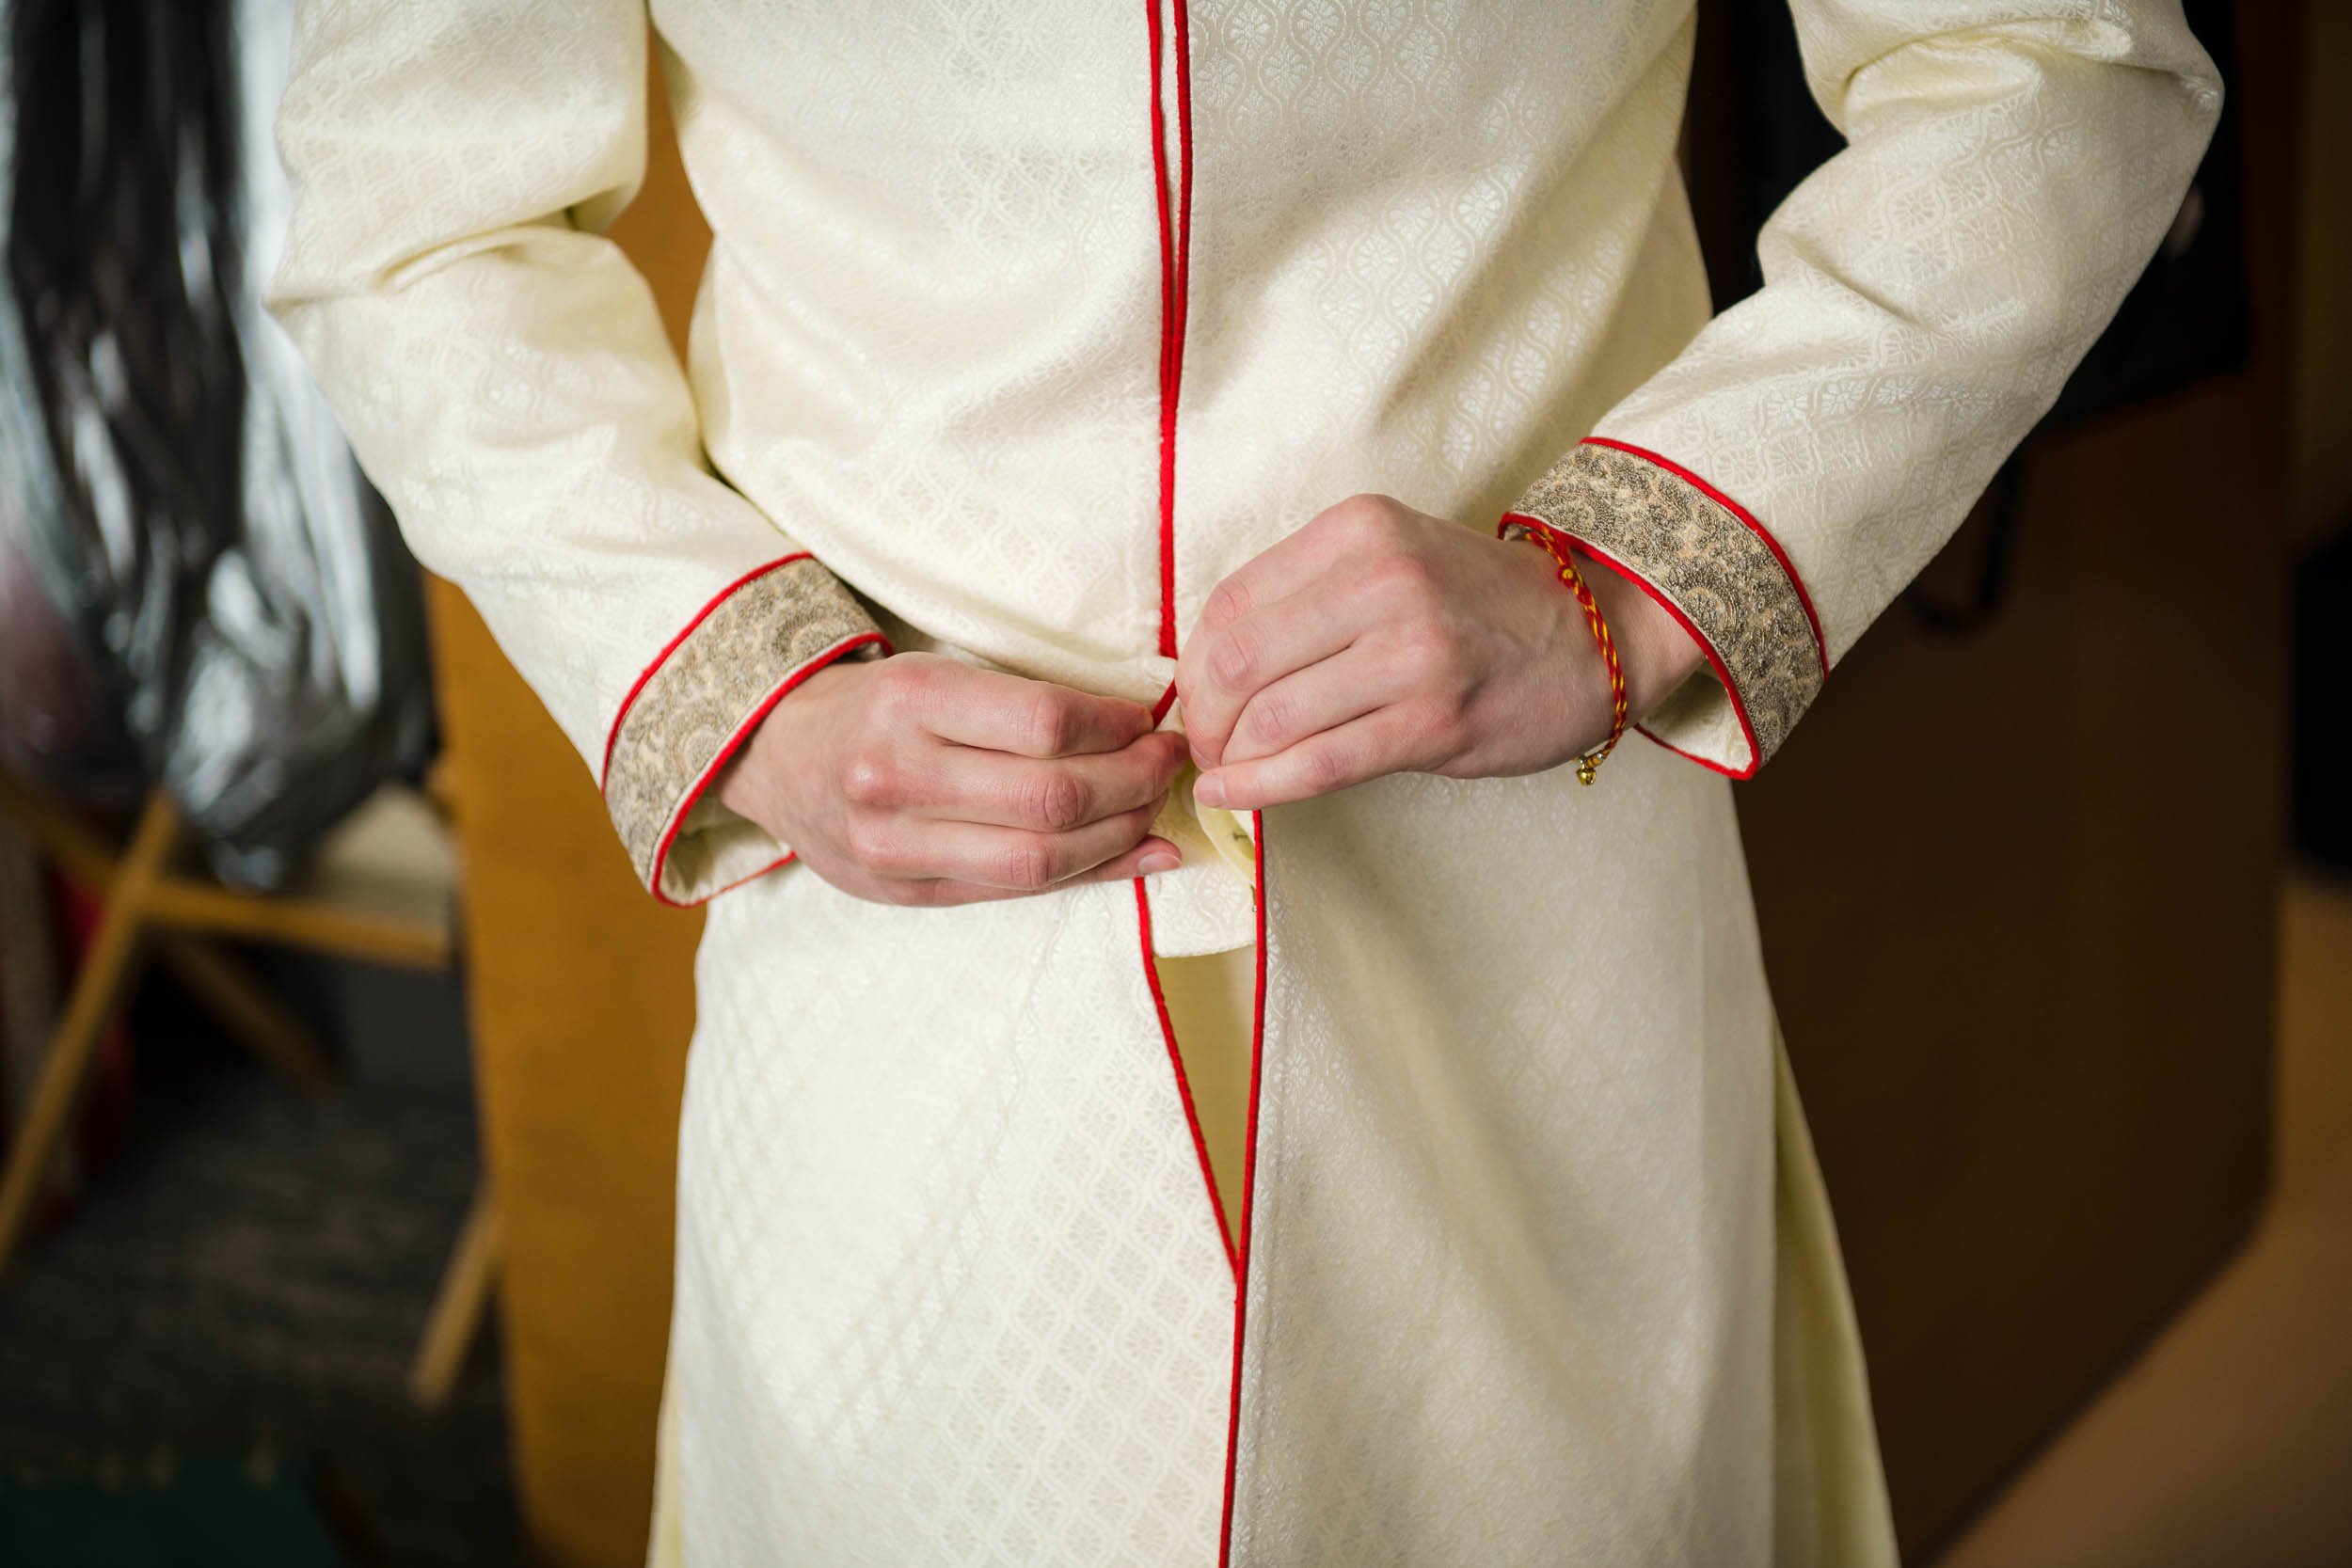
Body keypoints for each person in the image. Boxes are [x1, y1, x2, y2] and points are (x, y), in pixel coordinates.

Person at [268, 2, 2221, 1562]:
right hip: (908, 925)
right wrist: (742, 686)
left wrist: (1631, 583)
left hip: (1528, 921)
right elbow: (412, 216)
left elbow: (2060, 65)